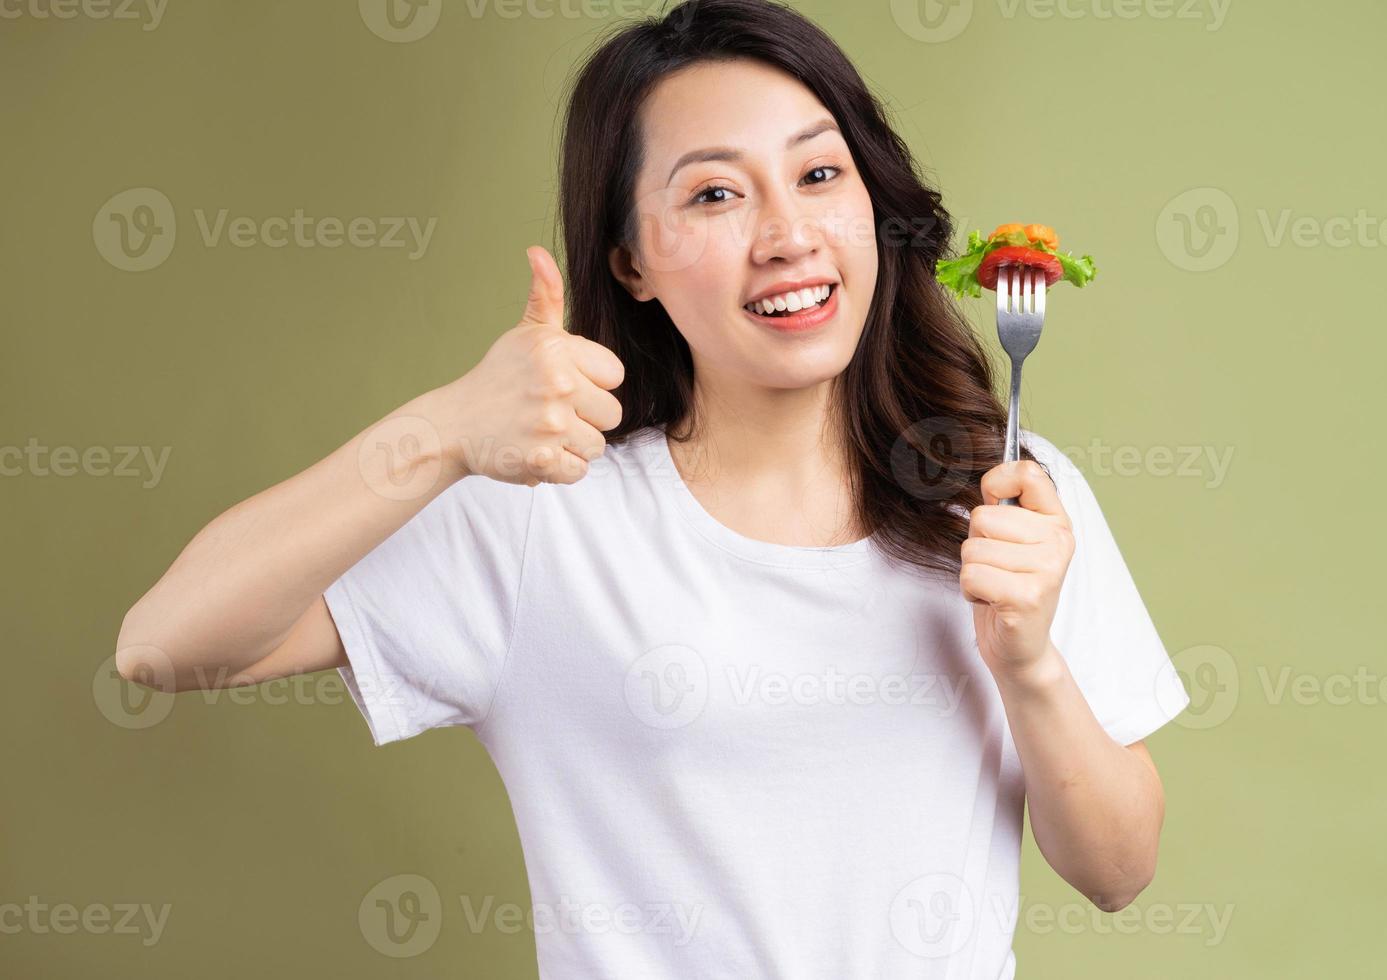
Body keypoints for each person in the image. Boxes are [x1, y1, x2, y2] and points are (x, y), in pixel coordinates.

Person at [115, 0, 1191, 975]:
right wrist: (440, 429)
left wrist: (1032, 664)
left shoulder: (1006, 499)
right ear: (630, 258)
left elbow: (1118, 869)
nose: (787, 237)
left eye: (820, 175)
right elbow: (163, 642)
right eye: (716, 193)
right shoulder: (547, 516)